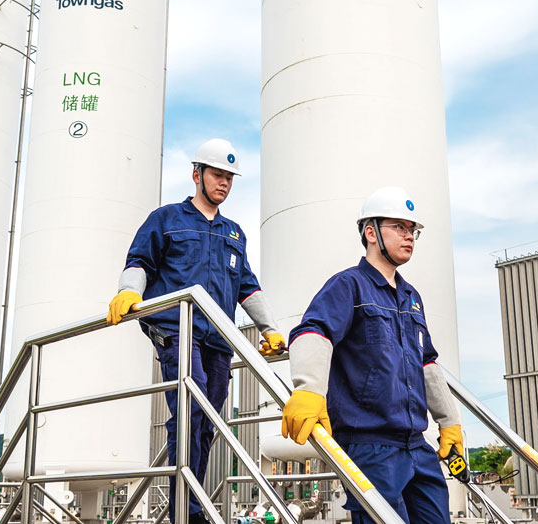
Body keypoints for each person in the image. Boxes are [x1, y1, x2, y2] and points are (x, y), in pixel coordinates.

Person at [107, 138, 289, 523]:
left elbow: (247, 286)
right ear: (197, 174)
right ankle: (187, 513)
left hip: (218, 340)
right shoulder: (166, 219)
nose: (223, 183)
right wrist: (127, 291)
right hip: (178, 331)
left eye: (229, 177)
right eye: (217, 174)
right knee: (191, 409)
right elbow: (140, 261)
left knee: (206, 422)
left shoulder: (233, 233)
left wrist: (270, 329)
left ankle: (191, 503)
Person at [277, 186, 462, 524]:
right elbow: (313, 332)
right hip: (370, 444)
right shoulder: (348, 285)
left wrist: (449, 422)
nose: (409, 236)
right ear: (371, 232)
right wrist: (308, 389)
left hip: (416, 444)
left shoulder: (411, 297)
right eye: (399, 227)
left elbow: (427, 363)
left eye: (412, 230)